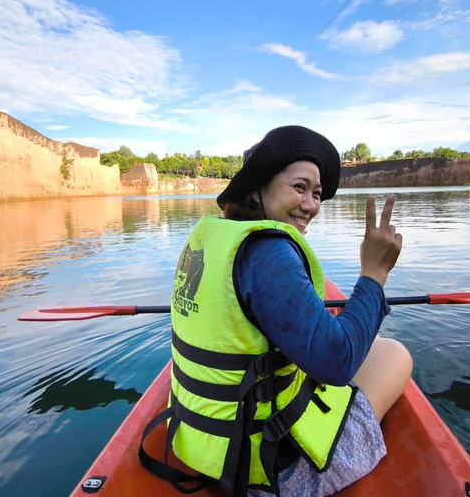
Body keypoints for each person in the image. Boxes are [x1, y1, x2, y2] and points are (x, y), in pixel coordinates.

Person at [141, 125, 412, 497]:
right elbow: (339, 363)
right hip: (268, 472)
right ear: (257, 190)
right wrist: (374, 273)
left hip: (202, 447)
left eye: (317, 194)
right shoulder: (269, 252)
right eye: (300, 187)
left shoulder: (213, 237)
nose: (311, 205)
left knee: (369, 342)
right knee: (394, 353)